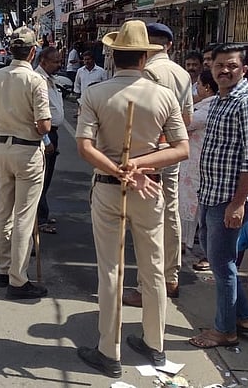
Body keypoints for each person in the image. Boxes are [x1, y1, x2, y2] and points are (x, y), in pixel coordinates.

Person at [75, 20, 189, 377]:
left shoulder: (95, 93)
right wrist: (138, 166)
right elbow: (181, 149)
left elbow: (84, 147)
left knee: (111, 270)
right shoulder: (163, 96)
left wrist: (121, 168)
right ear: (144, 58)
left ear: (113, 56)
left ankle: (109, 351)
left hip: (109, 186)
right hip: (149, 189)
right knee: (153, 269)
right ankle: (156, 345)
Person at [189, 43, 248, 350]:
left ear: (243, 69)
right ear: (211, 68)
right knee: (220, 259)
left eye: (232, 66)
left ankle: (224, 330)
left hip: (230, 197)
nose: (224, 71)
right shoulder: (222, 100)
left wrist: (237, 204)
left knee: (221, 264)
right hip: (212, 193)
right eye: (219, 65)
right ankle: (244, 318)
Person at [123, 22, 193, 308]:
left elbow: (140, 116)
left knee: (147, 221)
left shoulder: (148, 73)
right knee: (170, 212)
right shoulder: (182, 73)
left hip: (148, 152)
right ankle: (170, 277)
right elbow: (186, 120)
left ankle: (147, 286)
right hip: (171, 150)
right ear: (170, 45)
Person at [0, 26, 51, 300]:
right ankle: (18, 280)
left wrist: (8, 127)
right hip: (28, 150)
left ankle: (4, 269)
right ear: (33, 52)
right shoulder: (35, 81)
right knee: (24, 216)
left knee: (3, 210)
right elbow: (44, 126)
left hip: (3, 147)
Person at [178, 69, 219, 271]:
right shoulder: (210, 105)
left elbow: (183, 123)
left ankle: (199, 250)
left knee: (194, 208)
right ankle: (185, 243)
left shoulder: (208, 109)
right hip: (196, 163)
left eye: (199, 86)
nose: (197, 90)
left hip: (198, 165)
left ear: (207, 88)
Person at [34, 47, 64, 235]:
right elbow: (35, 114)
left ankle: (42, 215)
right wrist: (45, 140)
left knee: (46, 178)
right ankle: (39, 219)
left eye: (60, 61)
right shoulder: (38, 81)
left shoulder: (51, 79)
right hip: (45, 133)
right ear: (43, 61)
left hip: (53, 132)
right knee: (41, 179)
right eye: (55, 61)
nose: (59, 65)